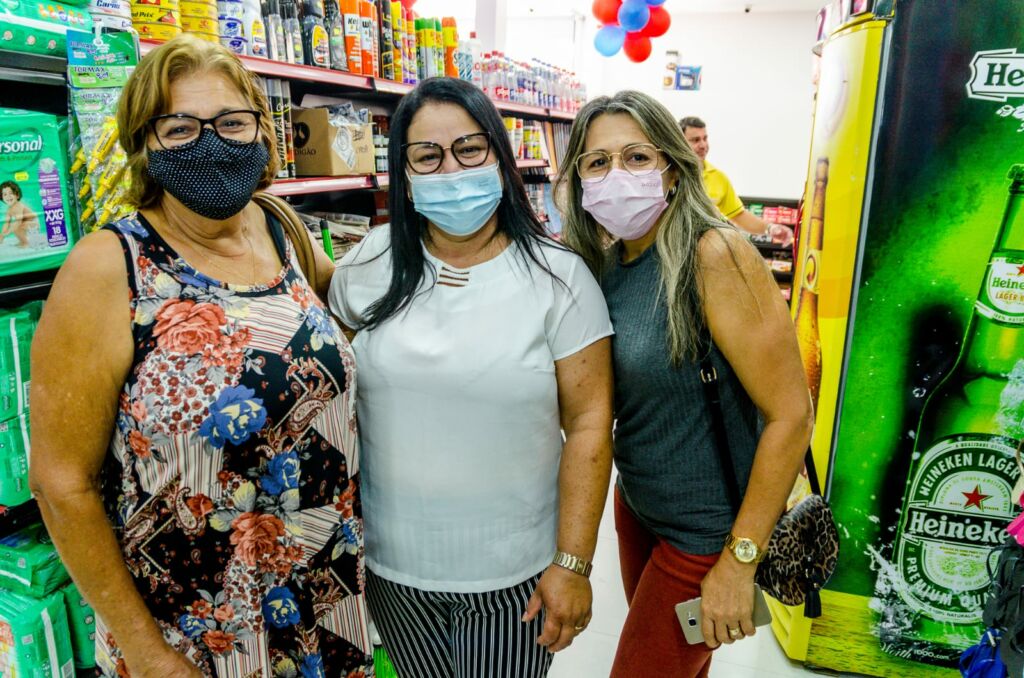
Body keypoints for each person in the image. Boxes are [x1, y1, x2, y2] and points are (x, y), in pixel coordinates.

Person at [29, 34, 370, 678]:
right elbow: (60, 482)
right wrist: (149, 654)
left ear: (263, 131)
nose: (211, 143)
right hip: (194, 627)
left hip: (324, 597)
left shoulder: (283, 231)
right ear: (143, 145)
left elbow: (349, 339)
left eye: (232, 122)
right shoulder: (108, 268)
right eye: (180, 127)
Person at [328, 77, 614, 677]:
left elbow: (589, 424)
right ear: (403, 174)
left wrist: (574, 561)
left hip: (516, 573)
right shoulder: (368, 266)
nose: (451, 169)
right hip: (393, 570)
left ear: (500, 157)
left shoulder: (560, 280)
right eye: (427, 156)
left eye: (469, 149)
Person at [559, 91, 813, 677]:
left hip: (705, 533)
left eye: (636, 158)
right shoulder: (607, 264)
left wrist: (739, 559)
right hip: (639, 508)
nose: (615, 176)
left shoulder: (715, 253)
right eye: (597, 163)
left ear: (671, 166)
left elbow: (791, 415)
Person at [679, 116, 794, 247]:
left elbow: (739, 216)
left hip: (703, 253)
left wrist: (770, 228)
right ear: (680, 142)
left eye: (705, 138)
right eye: (695, 140)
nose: (703, 145)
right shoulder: (670, 174)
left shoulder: (718, 177)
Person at [1, 180, 39, 247]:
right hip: (24, 223)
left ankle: (25, 243)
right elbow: (6, 223)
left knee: (16, 227)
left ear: (17, 195)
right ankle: (22, 241)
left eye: (11, 193)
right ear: (2, 197)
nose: (8, 196)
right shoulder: (9, 209)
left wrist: (7, 233)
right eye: (5, 194)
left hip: (33, 222)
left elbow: (18, 222)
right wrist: (2, 235)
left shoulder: (18, 206)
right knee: (15, 227)